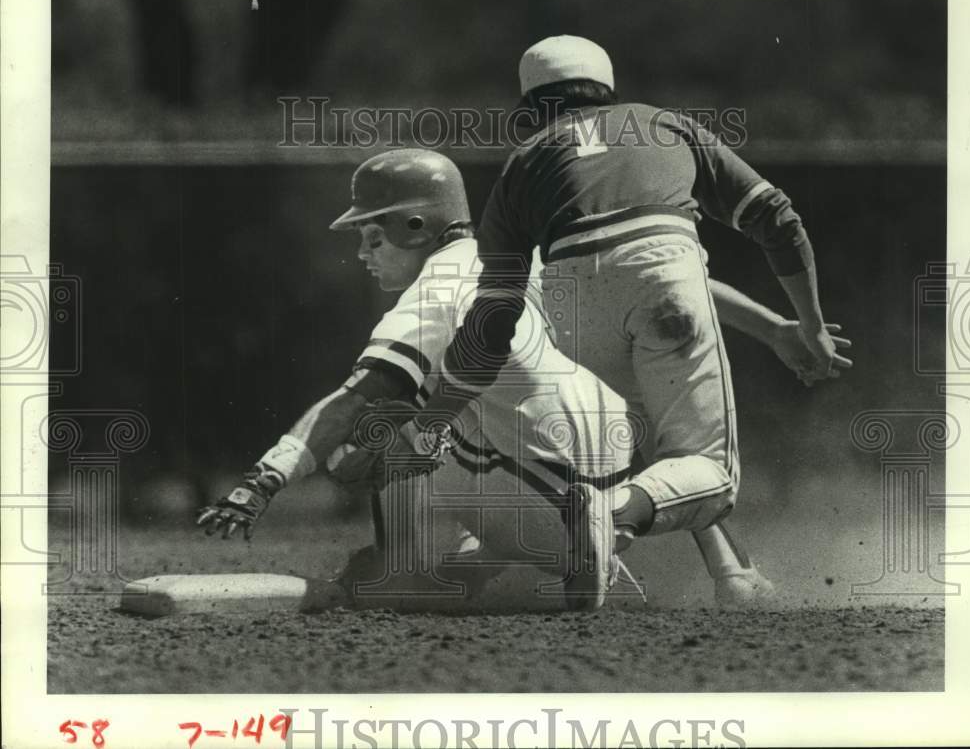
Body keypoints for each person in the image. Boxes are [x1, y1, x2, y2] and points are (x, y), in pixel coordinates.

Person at [196, 148, 850, 610]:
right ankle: (725, 571)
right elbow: (681, 286)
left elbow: (355, 397)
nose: (362, 253)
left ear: (417, 225)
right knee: (643, 407)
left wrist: (265, 478)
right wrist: (776, 330)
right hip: (613, 463)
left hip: (539, 495)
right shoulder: (531, 257)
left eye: (372, 236)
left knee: (396, 431)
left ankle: (451, 571)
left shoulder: (436, 290)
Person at [418, 35, 850, 610]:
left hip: (574, 301)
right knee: (709, 474)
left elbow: (497, 318)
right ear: (605, 88)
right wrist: (810, 326)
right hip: (664, 280)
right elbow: (773, 219)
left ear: (531, 105)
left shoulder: (522, 166)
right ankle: (610, 520)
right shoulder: (661, 123)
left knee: (656, 446)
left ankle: (732, 574)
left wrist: (431, 414)